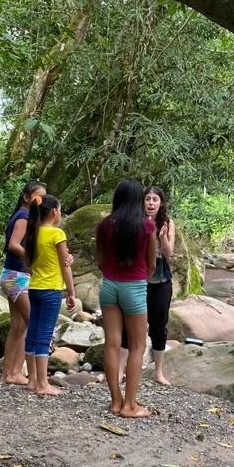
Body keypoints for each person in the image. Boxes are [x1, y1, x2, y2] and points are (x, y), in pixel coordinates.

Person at [96, 179, 157, 417]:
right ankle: (130, 405)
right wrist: (141, 278)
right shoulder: (146, 227)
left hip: (108, 286)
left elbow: (100, 262)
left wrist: (113, 274)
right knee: (137, 345)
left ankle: (115, 402)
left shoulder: (103, 226)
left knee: (111, 342)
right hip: (134, 287)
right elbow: (151, 262)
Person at [22, 195, 77, 396]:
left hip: (34, 288)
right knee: (44, 336)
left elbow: (29, 262)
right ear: (54, 212)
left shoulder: (32, 233)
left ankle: (32, 380)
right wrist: (71, 292)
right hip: (51, 290)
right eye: (60, 210)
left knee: (33, 333)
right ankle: (43, 384)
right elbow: (65, 265)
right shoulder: (57, 234)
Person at [0, 179, 46, 385]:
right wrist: (33, 257)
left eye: (43, 197)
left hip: (12, 275)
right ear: (27, 197)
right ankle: (18, 372)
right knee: (32, 321)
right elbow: (13, 245)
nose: (40, 201)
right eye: (37, 196)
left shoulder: (25, 215)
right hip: (16, 276)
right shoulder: (24, 216)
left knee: (18, 326)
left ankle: (9, 373)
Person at [144, 186, 175, 386]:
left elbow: (168, 253)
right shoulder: (137, 221)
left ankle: (158, 372)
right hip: (139, 278)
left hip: (161, 278)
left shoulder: (168, 222)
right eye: (148, 199)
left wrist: (162, 236)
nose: (151, 203)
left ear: (161, 203)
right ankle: (123, 370)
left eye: (155, 199)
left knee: (159, 325)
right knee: (132, 325)